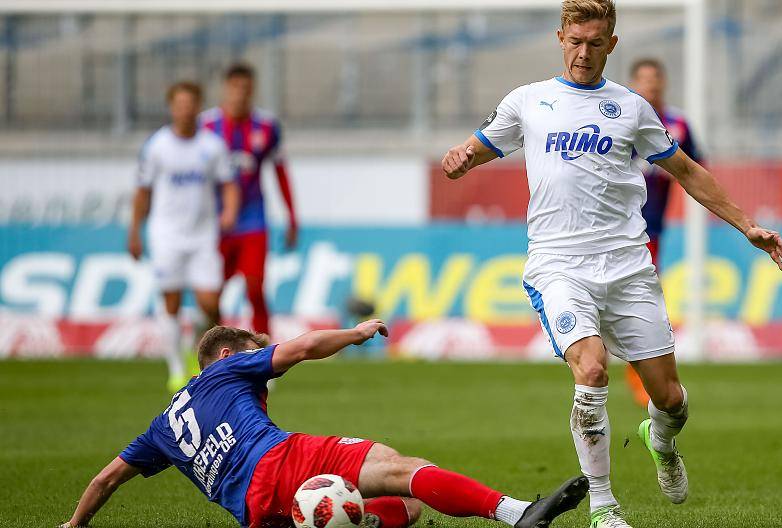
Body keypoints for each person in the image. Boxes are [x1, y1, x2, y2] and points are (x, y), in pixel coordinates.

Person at [440, 1, 782, 527]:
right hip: (559, 265)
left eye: (595, 43)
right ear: (560, 38)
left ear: (612, 44)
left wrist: (748, 225)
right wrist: (461, 158)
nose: (583, 53)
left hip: (627, 265)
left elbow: (688, 171)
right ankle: (604, 507)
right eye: (575, 42)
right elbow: (480, 147)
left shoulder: (631, 108)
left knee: (670, 398)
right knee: (592, 370)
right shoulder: (528, 100)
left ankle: (660, 439)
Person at [58, 322, 589, 528]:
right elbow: (305, 346)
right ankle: (515, 512)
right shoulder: (225, 370)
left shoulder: (161, 427)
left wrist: (75, 525)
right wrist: (356, 334)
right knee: (399, 470)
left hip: (255, 512)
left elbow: (105, 479)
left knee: (409, 508)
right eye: (255, 352)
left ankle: (355, 522)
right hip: (281, 461)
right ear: (225, 355)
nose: (265, 366)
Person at [128, 81, 240, 393]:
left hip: (203, 235)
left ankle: (197, 350)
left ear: (198, 106)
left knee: (211, 302)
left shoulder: (212, 146)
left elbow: (229, 183)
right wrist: (134, 231)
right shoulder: (157, 146)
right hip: (166, 234)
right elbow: (142, 191)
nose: (185, 110)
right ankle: (176, 368)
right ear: (171, 107)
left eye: (190, 104)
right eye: (179, 104)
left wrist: (230, 211)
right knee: (172, 301)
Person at [622, 57, 705, 408]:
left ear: (664, 82)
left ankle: (645, 378)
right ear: (633, 83)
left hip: (651, 229)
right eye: (643, 78)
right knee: (636, 302)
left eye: (655, 78)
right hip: (617, 226)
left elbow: (696, 167)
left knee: (642, 301)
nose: (651, 84)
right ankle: (638, 378)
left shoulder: (678, 124)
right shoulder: (619, 118)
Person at [200, 62, 299, 337]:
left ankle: (265, 349)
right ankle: (213, 350)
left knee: (255, 287)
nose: (240, 93)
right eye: (235, 87)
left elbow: (280, 172)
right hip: (216, 222)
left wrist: (292, 217)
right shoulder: (206, 125)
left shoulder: (266, 127)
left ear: (252, 90)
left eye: (246, 88)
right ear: (225, 88)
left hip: (253, 219)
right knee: (211, 293)